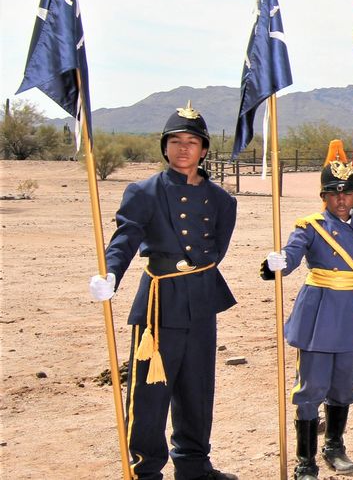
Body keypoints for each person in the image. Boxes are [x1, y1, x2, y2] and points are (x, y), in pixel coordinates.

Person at [89, 104, 238, 480]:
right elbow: (125, 238)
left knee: (197, 388)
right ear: (165, 147)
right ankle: (145, 468)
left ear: (204, 149)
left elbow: (216, 250)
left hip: (202, 300)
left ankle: (193, 466)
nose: (183, 148)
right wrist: (111, 273)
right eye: (175, 141)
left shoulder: (223, 201)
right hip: (160, 302)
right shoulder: (144, 192)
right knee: (150, 393)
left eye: (192, 141)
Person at [261, 140, 353, 479]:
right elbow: (294, 253)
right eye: (334, 194)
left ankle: (334, 446)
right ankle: (306, 459)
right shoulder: (309, 227)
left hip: (350, 314)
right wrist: (278, 264)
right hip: (318, 313)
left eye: (347, 193)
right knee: (310, 387)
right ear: (324, 197)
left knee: (344, 384)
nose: (341, 200)